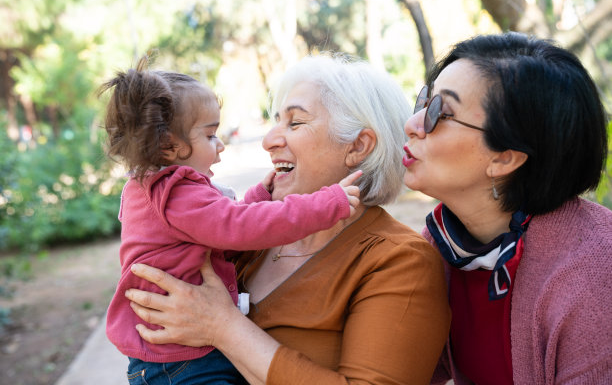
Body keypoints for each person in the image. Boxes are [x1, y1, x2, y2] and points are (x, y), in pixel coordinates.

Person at [123, 53, 452, 384]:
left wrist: (222, 326)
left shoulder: (399, 261)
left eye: (295, 123)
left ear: (358, 146)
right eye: (275, 121)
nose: (268, 141)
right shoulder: (251, 243)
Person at [100, 56, 365, 384]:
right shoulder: (175, 191)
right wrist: (326, 204)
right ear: (169, 146)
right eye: (210, 136)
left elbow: (221, 223)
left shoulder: (153, 188)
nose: (221, 146)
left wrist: (260, 195)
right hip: (181, 365)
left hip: (175, 357)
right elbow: (240, 227)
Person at [402, 32, 612, 384]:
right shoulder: (445, 243)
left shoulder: (595, 274)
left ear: (504, 158)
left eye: (440, 112)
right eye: (424, 101)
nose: (412, 125)